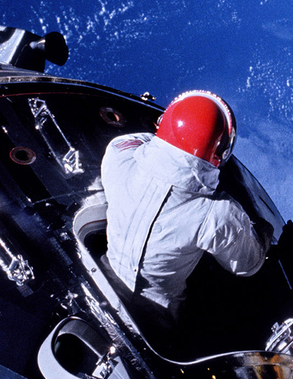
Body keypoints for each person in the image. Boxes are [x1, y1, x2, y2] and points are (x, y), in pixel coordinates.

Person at [98, 90, 270, 322]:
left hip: (104, 276)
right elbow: (248, 265)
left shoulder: (118, 156)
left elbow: (141, 141)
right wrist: (263, 232)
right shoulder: (216, 214)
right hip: (157, 315)